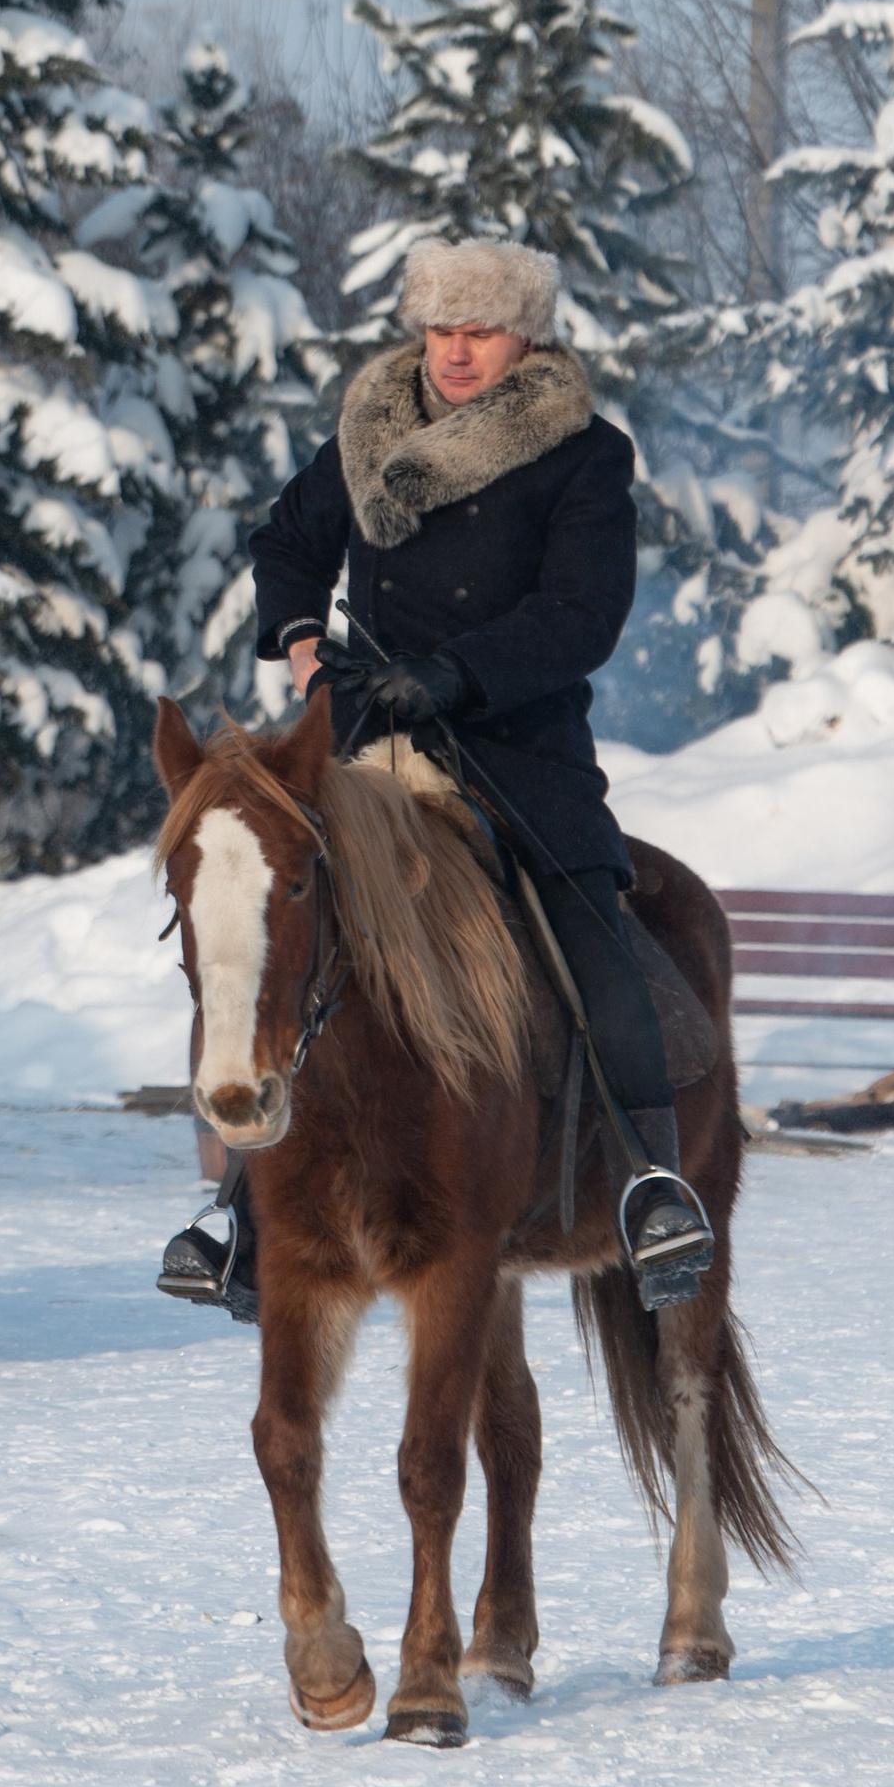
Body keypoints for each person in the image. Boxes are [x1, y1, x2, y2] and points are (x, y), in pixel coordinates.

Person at [158, 235, 716, 1323]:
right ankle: (241, 1205)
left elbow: (581, 615)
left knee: (590, 931)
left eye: (480, 332)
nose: (456, 354)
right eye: (440, 330)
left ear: (525, 338)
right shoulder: (371, 432)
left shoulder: (583, 452)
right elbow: (286, 542)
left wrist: (456, 672)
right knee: (281, 929)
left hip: (516, 750)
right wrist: (309, 646)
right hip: (368, 748)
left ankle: (652, 1181)